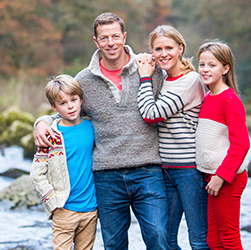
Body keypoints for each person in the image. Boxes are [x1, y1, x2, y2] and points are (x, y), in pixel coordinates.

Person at [34, 12, 170, 250]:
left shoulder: (149, 68)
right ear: (96, 41)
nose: (111, 43)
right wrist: (41, 122)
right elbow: (65, 109)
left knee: (159, 235)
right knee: (114, 244)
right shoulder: (84, 80)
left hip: (148, 171)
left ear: (124, 37)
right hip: (107, 177)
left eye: (115, 36)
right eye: (104, 38)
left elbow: (175, 94)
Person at [136, 25, 209, 250]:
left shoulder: (190, 80)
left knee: (198, 240)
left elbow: (151, 114)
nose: (164, 53)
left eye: (169, 47)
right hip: (165, 170)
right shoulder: (162, 80)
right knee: (166, 239)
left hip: (190, 171)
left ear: (180, 48)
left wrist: (144, 78)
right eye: (158, 49)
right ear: (152, 53)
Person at [30, 75, 98, 250]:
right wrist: (53, 202)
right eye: (63, 103)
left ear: (81, 100)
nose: (70, 106)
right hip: (64, 209)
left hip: (91, 209)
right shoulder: (51, 135)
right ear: (54, 107)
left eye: (73, 100)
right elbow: (37, 174)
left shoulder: (93, 127)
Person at [196, 41, 250, 250]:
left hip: (228, 178)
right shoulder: (208, 97)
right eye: (202, 64)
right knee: (213, 241)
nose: (205, 70)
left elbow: (241, 144)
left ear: (225, 68)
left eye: (212, 65)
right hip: (213, 177)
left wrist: (221, 177)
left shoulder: (230, 100)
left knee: (229, 239)